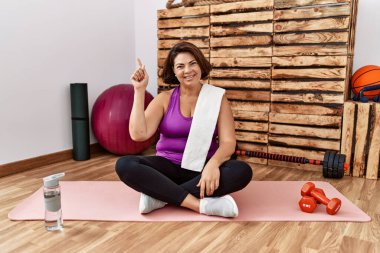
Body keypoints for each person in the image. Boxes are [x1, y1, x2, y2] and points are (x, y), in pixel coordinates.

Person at [115, 41, 252, 218]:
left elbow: (228, 142)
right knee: (125, 165)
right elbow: (138, 134)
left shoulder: (218, 98)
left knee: (242, 171)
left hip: (202, 169)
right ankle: (199, 204)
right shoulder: (164, 99)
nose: (187, 70)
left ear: (200, 64)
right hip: (167, 167)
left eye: (192, 63)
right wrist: (139, 90)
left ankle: (160, 196)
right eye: (180, 66)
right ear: (174, 71)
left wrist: (213, 165)